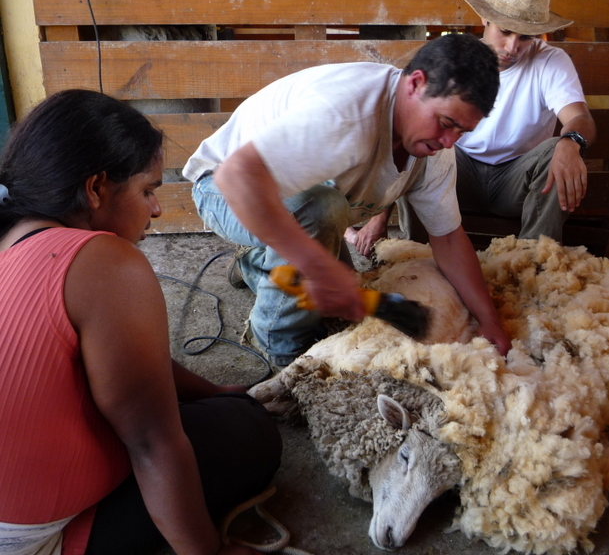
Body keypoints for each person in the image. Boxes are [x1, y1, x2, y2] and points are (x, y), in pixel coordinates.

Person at [0, 89, 282, 555]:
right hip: (33, 543)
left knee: (208, 409)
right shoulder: (105, 263)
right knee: (248, 431)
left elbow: (129, 362)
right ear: (96, 189)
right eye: (147, 190)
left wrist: (210, 391)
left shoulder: (11, 235)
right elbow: (153, 444)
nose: (155, 209)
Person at [182, 33, 512, 369]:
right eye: (446, 123)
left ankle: (255, 263)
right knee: (322, 214)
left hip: (298, 202)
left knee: (337, 293)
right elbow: (236, 176)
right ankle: (281, 345)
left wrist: (489, 320)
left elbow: (448, 238)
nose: (448, 141)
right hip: (223, 187)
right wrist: (317, 266)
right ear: (416, 83)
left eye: (461, 132)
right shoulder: (347, 113)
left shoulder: (435, 150)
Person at [345, 0, 597, 255]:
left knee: (560, 149)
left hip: (514, 180)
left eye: (526, 37)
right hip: (455, 174)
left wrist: (572, 142)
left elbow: (579, 117)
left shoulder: (551, 61)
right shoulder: (458, 60)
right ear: (485, 19)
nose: (513, 46)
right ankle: (417, 256)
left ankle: (535, 262)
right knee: (420, 148)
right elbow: (406, 133)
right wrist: (379, 218)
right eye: (506, 31)